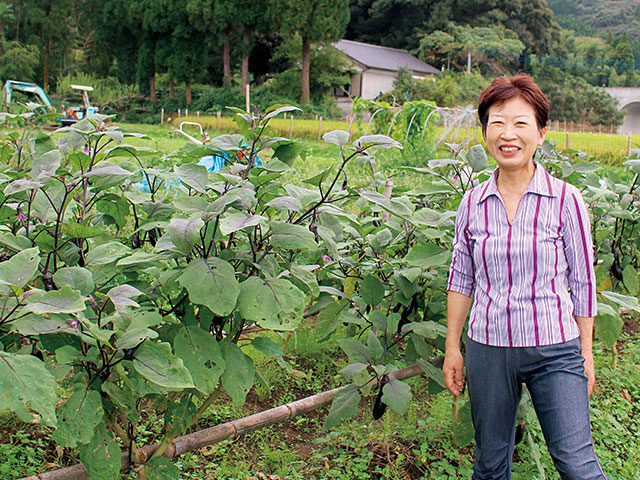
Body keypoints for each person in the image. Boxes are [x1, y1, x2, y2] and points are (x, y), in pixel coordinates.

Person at [442, 73, 609, 480]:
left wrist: (585, 352)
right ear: (485, 132)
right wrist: (453, 346)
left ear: (541, 132)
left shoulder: (566, 199)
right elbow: (462, 277)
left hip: (554, 348)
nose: (507, 134)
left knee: (576, 462)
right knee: (490, 462)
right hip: (488, 348)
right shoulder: (472, 203)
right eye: (496, 122)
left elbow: (584, 282)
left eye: (520, 122)